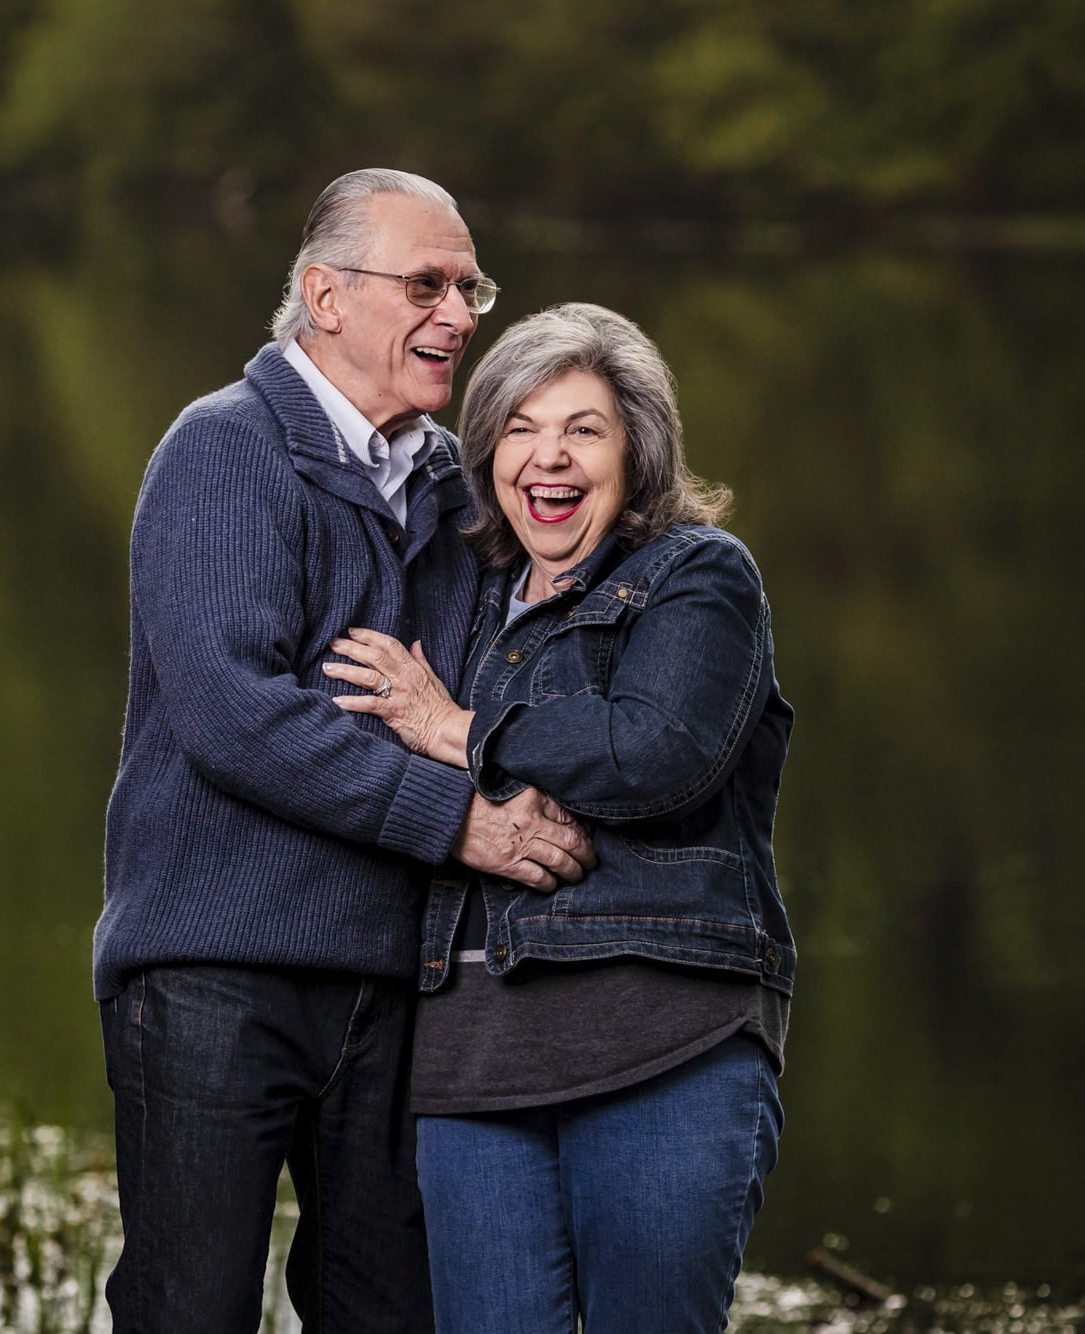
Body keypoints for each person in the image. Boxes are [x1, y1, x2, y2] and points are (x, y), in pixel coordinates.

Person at [95, 170, 595, 1333]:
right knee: (189, 1309)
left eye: (469, 284)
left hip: (390, 980)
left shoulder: (448, 488)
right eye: (425, 282)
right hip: (213, 971)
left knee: (386, 1311)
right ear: (323, 295)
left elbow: (502, 677)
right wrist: (461, 820)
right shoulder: (221, 450)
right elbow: (236, 716)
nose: (462, 312)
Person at [324, 302, 795, 1333]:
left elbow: (651, 753)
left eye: (582, 429)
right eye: (520, 429)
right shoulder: (459, 600)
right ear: (488, 454)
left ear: (635, 452)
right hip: (472, 1066)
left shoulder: (696, 575)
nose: (549, 456)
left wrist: (460, 730)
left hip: (663, 1040)